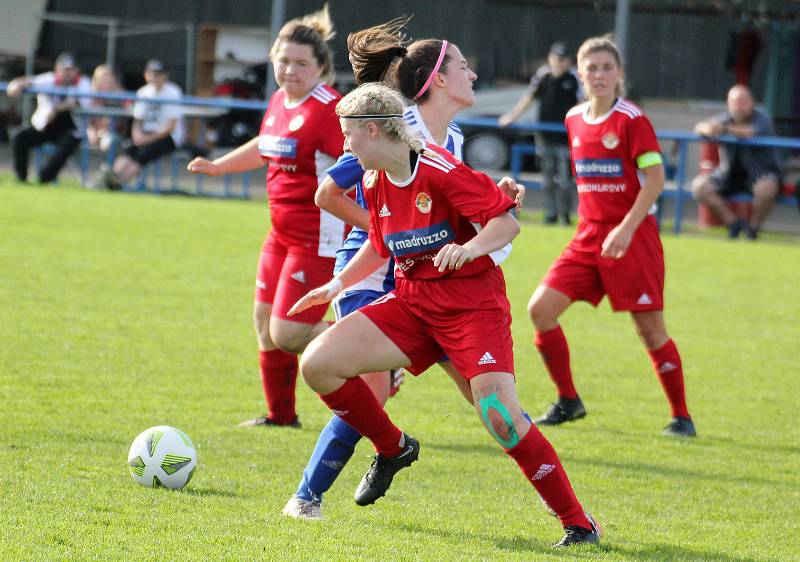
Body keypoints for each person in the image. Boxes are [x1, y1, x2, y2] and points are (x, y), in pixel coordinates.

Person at [289, 82, 601, 548]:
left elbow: (506, 222)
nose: (345, 146)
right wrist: (336, 285)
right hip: (413, 305)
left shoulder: (441, 169)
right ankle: (393, 447)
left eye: (348, 135)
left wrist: (469, 248)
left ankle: (578, 524)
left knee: (500, 417)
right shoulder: (375, 182)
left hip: (471, 309)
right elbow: (380, 244)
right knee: (317, 364)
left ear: (373, 130)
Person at [282, 18, 524, 521]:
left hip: (430, 282)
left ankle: (566, 509)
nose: (473, 75)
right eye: (463, 66)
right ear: (437, 79)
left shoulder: (452, 139)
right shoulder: (394, 127)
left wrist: (499, 200)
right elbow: (328, 191)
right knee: (367, 383)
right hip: (371, 269)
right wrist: (388, 235)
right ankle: (309, 496)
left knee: (491, 403)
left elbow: (452, 207)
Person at [527, 36, 696, 438]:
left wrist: (625, 227)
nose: (599, 75)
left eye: (607, 68)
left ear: (619, 74)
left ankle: (681, 417)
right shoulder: (573, 119)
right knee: (540, 309)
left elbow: (655, 180)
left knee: (650, 329)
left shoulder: (631, 120)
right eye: (591, 68)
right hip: (587, 237)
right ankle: (568, 400)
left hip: (633, 237)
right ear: (579, 74)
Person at [187, 6, 344, 428]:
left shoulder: (331, 110)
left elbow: (366, 164)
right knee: (263, 321)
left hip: (319, 239)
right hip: (280, 235)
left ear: (321, 67)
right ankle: (281, 417)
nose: (290, 70)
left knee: (288, 333)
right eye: (283, 61)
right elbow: (265, 144)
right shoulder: (279, 99)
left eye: (300, 64)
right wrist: (218, 166)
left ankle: (377, 353)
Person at [499, 42, 581, 225]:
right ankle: (551, 214)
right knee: (547, 178)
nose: (559, 63)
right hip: (544, 136)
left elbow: (581, 103)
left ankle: (565, 215)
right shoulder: (543, 76)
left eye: (563, 59)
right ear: (551, 59)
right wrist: (512, 117)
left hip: (565, 138)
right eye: (556, 58)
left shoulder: (573, 78)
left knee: (565, 180)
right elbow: (529, 97)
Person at [691, 85, 782, 240]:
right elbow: (699, 127)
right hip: (728, 174)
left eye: (744, 102)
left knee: (766, 189)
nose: (740, 107)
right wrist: (709, 128)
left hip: (761, 174)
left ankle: (752, 229)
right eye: (736, 103)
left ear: (752, 102)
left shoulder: (763, 119)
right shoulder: (725, 119)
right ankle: (734, 224)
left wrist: (724, 129)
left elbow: (749, 132)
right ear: (728, 104)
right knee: (699, 188)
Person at [97, 59, 184, 190]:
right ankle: (111, 177)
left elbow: (170, 127)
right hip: (146, 134)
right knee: (129, 150)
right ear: (146, 74)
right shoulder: (143, 92)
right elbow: (138, 121)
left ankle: (116, 183)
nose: (155, 77)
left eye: (159, 74)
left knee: (142, 155)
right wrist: (137, 136)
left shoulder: (173, 92)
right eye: (153, 73)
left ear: (165, 75)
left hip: (168, 137)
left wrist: (146, 139)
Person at [7, 52, 91, 184]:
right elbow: (27, 82)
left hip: (71, 130)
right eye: (65, 69)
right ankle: (22, 178)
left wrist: (55, 109)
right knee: (19, 137)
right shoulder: (48, 79)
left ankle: (44, 179)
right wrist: (15, 85)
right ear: (57, 69)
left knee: (66, 146)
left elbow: (77, 102)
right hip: (46, 126)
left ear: (76, 71)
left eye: (71, 70)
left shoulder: (83, 83)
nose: (68, 73)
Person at [86, 64, 124, 153]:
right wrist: (90, 130)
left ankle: (108, 166)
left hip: (113, 134)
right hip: (94, 132)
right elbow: (87, 121)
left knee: (107, 142)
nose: (106, 83)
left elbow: (121, 124)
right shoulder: (89, 96)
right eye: (103, 80)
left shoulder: (120, 96)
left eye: (108, 80)